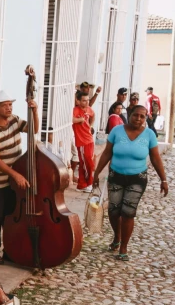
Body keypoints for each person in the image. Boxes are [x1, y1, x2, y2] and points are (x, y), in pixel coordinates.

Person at [93, 105, 169, 261]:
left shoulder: (149, 135)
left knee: (128, 212)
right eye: (136, 115)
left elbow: (155, 158)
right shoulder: (117, 131)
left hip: (137, 178)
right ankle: (117, 237)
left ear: (146, 117)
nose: (139, 119)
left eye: (143, 116)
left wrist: (163, 179)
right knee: (114, 211)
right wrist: (96, 173)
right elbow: (107, 152)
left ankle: (123, 247)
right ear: (130, 115)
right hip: (116, 175)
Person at [0, 90, 39, 262]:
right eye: (5, 105)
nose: (9, 108)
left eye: (10, 104)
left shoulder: (14, 120)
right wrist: (16, 175)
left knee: (10, 217)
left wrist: (35, 111)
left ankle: (10, 250)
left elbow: (33, 129)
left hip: (13, 181)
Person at [72, 90, 95, 192]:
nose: (87, 102)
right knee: (86, 162)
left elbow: (93, 115)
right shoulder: (76, 110)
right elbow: (71, 119)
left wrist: (90, 125)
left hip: (89, 139)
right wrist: (79, 120)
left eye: (88, 100)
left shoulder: (89, 109)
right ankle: (88, 183)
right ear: (78, 101)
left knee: (87, 162)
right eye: (84, 101)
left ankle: (83, 184)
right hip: (82, 141)